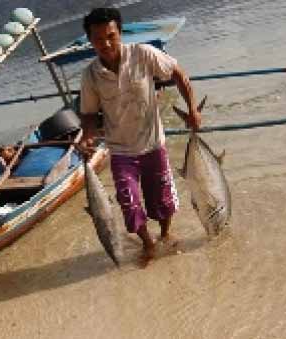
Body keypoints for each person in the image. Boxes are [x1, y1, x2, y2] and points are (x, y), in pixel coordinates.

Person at [78, 8, 202, 266]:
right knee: (129, 204)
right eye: (99, 39)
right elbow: (89, 114)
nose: (106, 44)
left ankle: (166, 234)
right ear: (91, 42)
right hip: (121, 150)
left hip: (153, 143)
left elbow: (177, 73)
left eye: (111, 36)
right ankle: (148, 244)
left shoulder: (143, 54)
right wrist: (87, 137)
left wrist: (192, 109)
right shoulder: (90, 75)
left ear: (120, 33)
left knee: (163, 200)